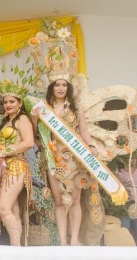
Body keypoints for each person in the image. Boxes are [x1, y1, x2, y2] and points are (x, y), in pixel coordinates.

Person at [35, 73, 96, 246]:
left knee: (75, 200)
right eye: (57, 85)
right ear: (51, 87)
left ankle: (74, 239)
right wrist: (34, 117)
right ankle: (63, 240)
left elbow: (83, 130)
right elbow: (37, 133)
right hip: (54, 157)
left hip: (74, 158)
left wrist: (90, 145)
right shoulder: (45, 108)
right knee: (59, 201)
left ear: (68, 87)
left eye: (64, 85)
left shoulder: (76, 108)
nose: (60, 88)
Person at [0, 84, 35, 246]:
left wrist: (4, 152)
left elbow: (29, 142)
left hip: (16, 166)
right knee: (13, 211)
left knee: (3, 208)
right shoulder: (6, 121)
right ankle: (17, 248)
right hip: (4, 169)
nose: (8, 105)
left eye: (12, 102)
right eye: (5, 102)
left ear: (20, 103)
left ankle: (16, 248)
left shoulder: (23, 119)